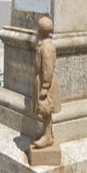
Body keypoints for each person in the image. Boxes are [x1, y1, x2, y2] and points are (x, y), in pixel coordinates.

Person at [30, 16, 60, 149]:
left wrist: (45, 87)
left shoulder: (47, 47)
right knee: (44, 110)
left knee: (46, 108)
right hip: (41, 80)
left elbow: (48, 67)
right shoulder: (43, 43)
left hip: (45, 83)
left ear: (41, 30)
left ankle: (47, 137)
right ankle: (46, 133)